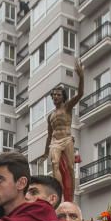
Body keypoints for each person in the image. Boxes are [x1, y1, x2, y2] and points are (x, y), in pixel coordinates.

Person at [41, 64, 84, 202]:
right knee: (54, 164)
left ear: (63, 96)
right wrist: (45, 152)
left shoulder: (67, 107)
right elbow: (49, 135)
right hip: (55, 142)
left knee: (71, 168)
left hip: (66, 139)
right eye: (53, 95)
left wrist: (81, 76)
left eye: (58, 95)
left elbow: (80, 94)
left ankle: (70, 197)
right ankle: (58, 192)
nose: (55, 97)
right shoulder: (51, 116)